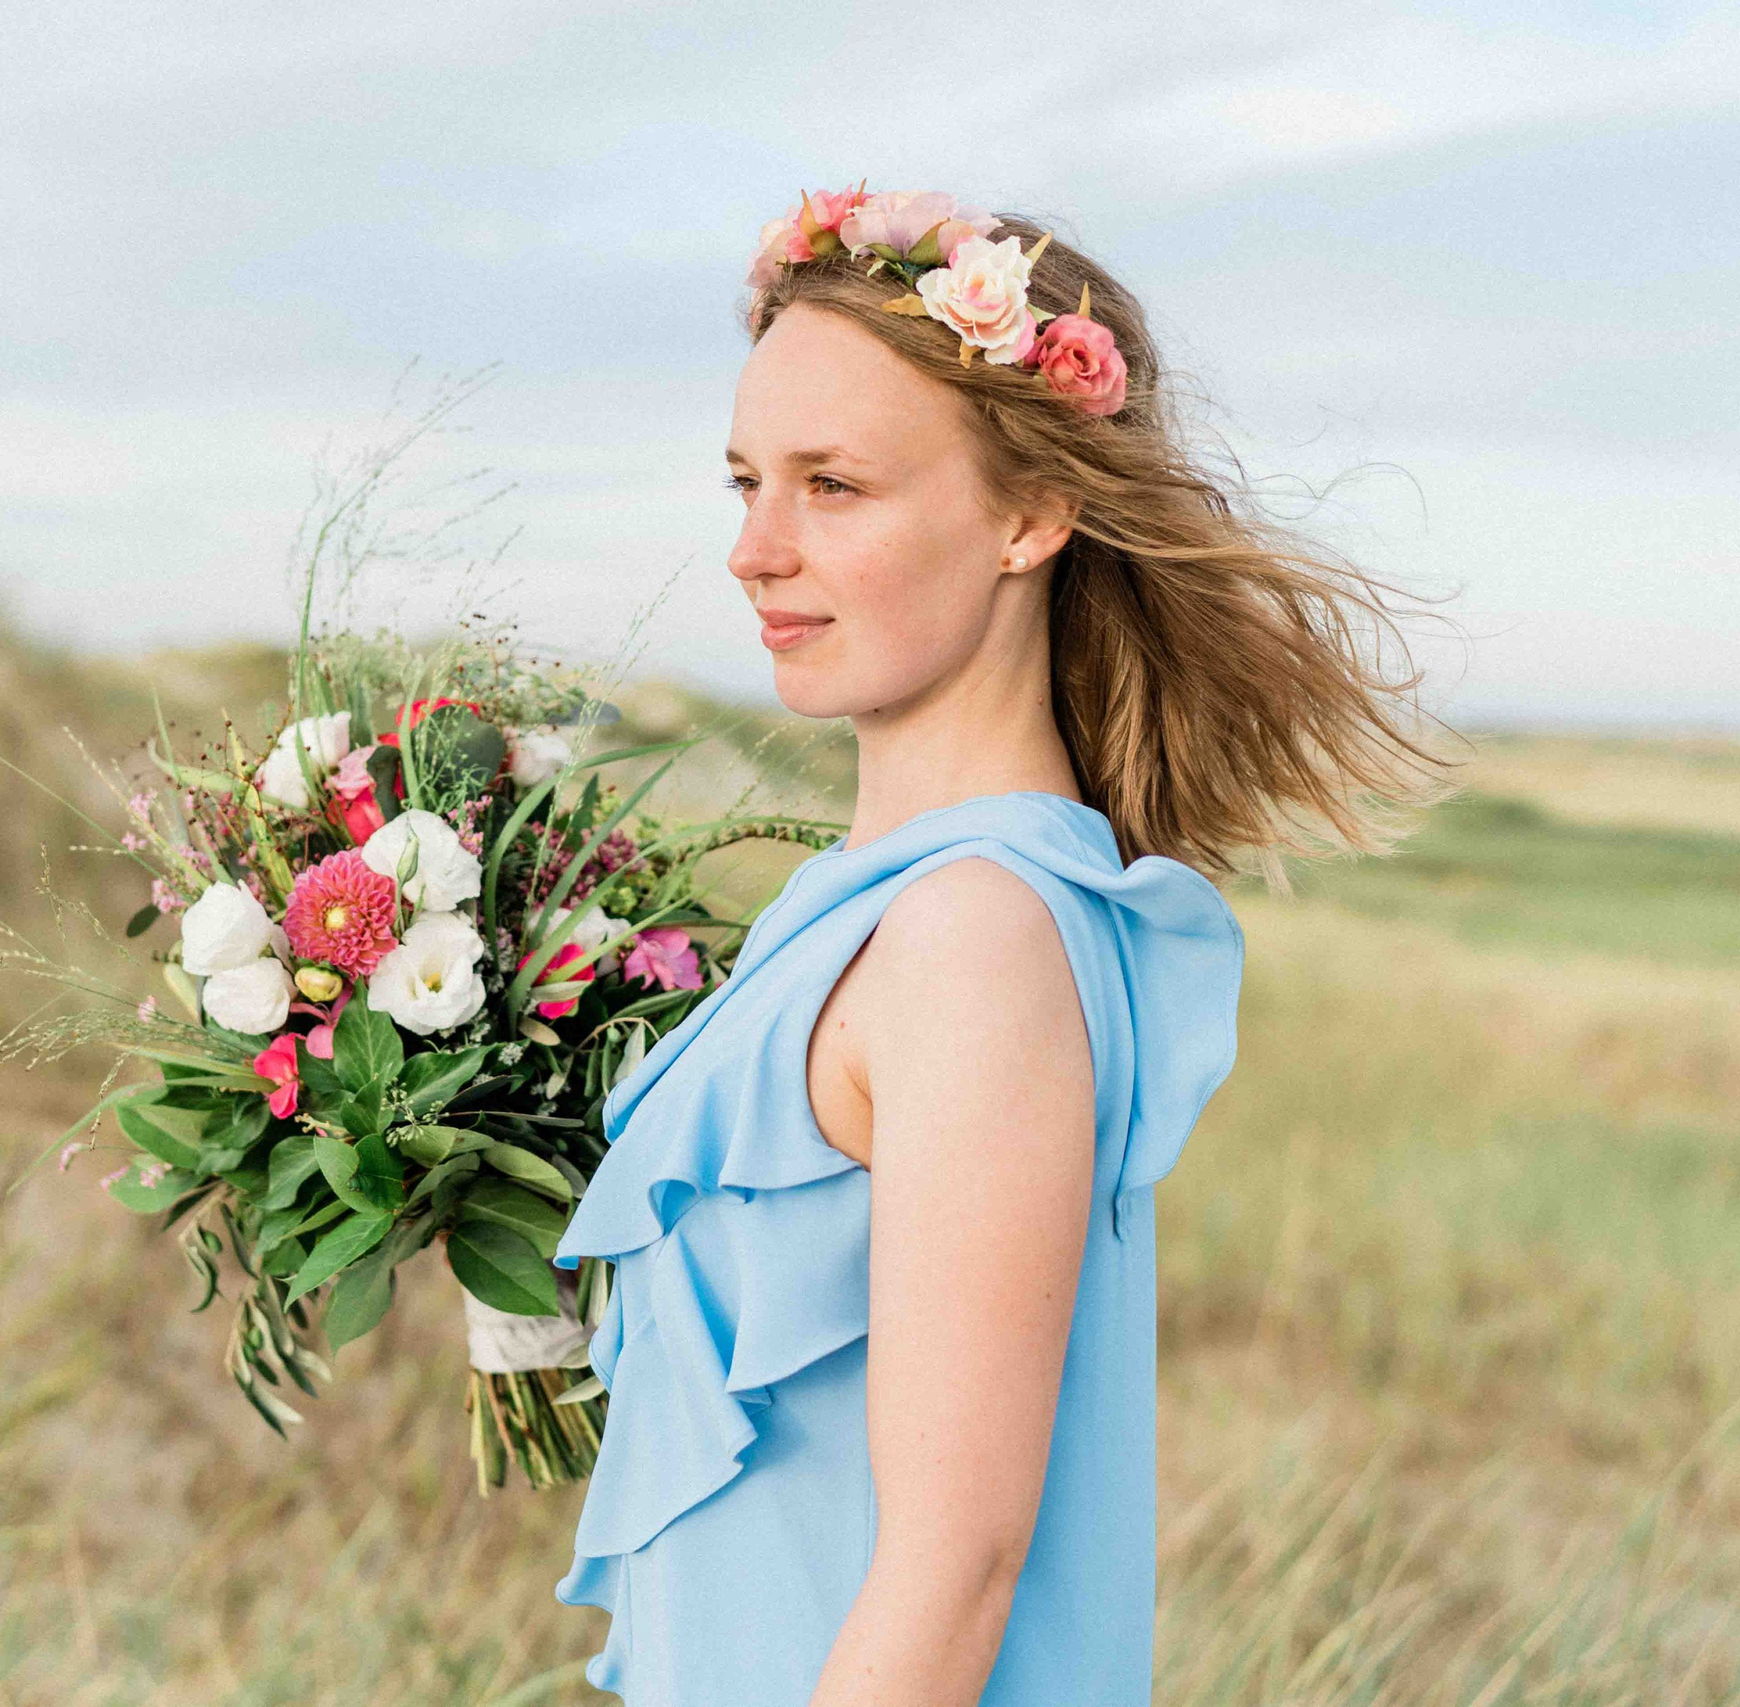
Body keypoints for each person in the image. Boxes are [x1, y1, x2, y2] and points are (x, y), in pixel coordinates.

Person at [549, 188, 1440, 1706]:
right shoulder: (873, 905)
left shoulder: (973, 937)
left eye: (834, 487)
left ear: (1031, 516)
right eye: (746, 482)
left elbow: (956, 1563)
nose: (755, 552)